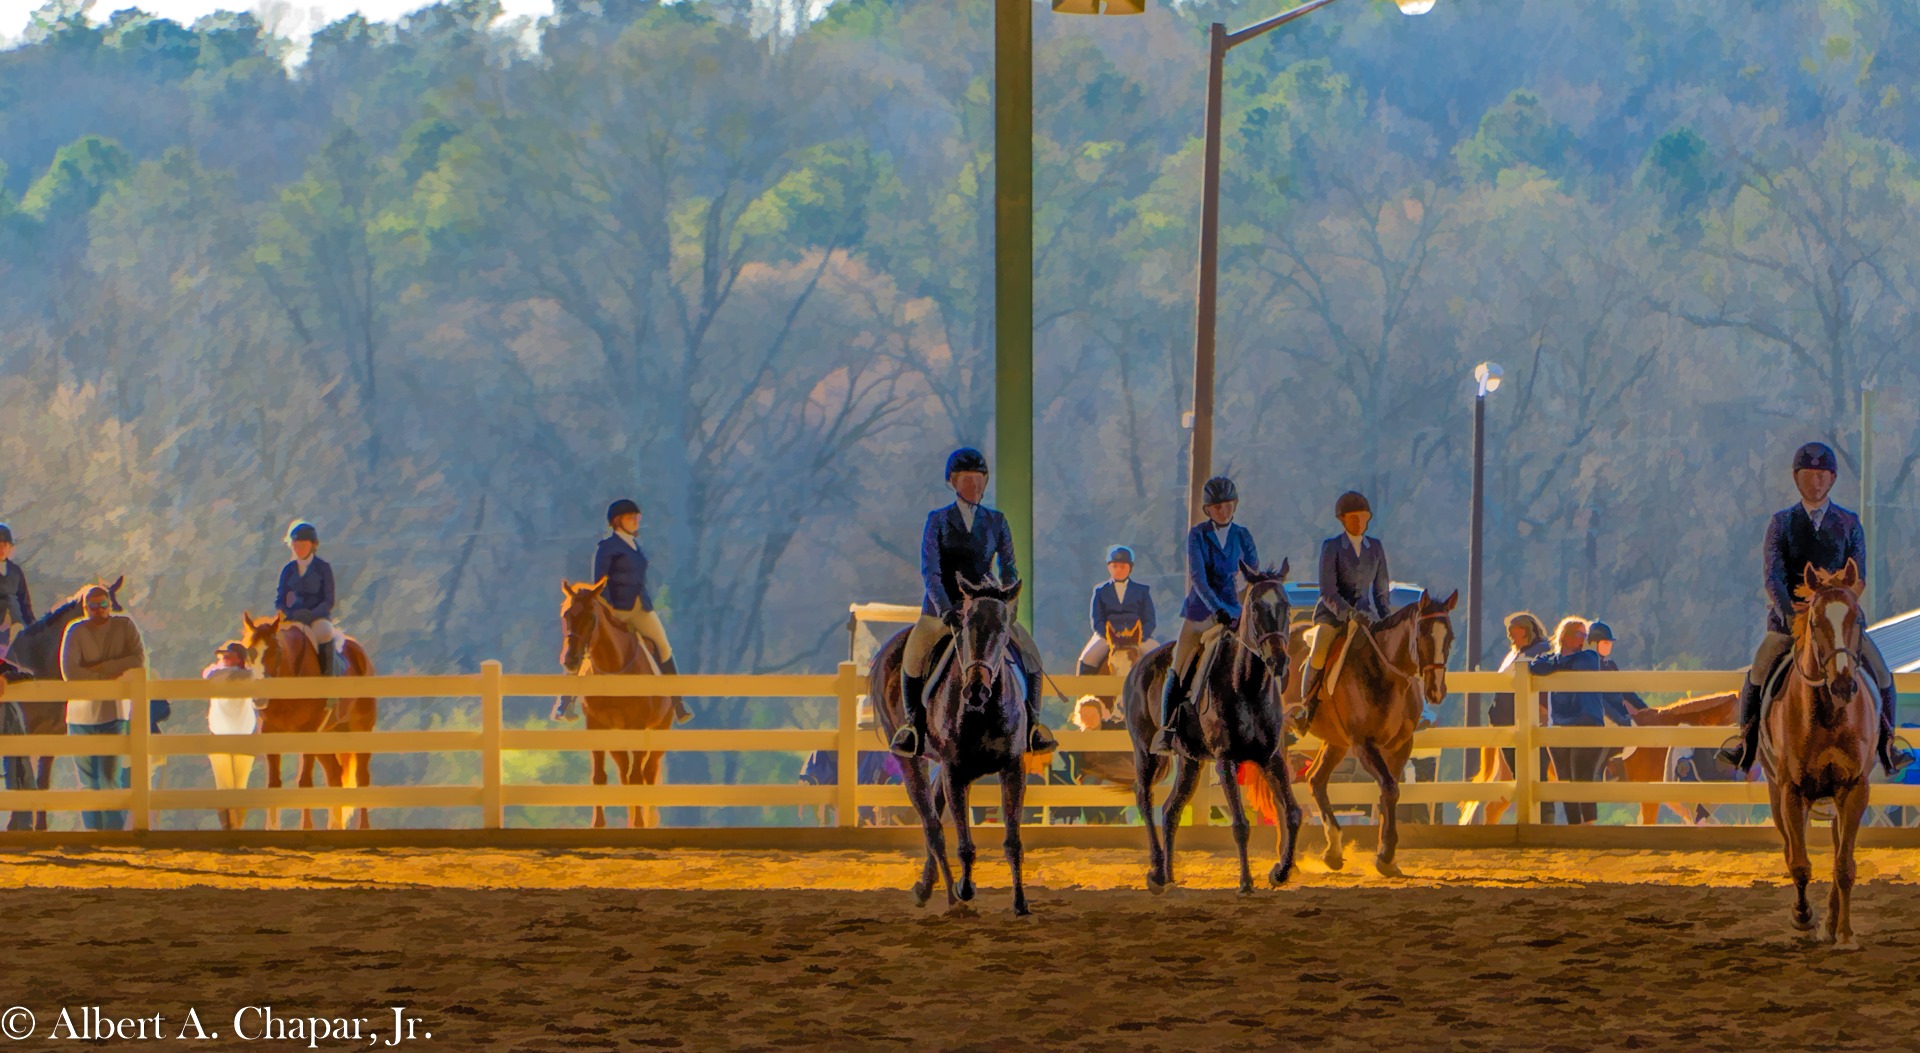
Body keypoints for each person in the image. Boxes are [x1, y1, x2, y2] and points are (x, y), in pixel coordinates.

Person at [1719, 442, 1911, 776]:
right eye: (1810, 475)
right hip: (1788, 624)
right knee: (1758, 673)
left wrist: (1840, 609)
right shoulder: (1782, 524)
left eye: (1823, 475)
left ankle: (1887, 746)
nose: (1817, 482)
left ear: (1832, 479)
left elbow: (1858, 577)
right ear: (1797, 478)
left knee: (1881, 673)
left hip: (1839, 626)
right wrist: (1795, 618)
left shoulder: (1849, 523)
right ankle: (1745, 744)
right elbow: (1773, 578)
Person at [891, 447, 1055, 759]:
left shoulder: (996, 521)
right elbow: (931, 571)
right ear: (953, 482)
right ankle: (913, 727)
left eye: (980, 480)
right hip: (943, 611)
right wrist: (946, 611)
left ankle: (1033, 725)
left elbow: (1009, 569)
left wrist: (1006, 610)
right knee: (913, 656)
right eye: (968, 480)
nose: (975, 487)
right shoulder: (938, 520)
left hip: (987, 610)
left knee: (1031, 655)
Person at [1150, 476, 1259, 758]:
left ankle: (1267, 718)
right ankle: (1168, 728)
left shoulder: (1243, 535)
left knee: (1261, 654)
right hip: (1202, 611)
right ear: (1208, 509)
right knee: (1181, 661)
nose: (1224, 511)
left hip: (1236, 612)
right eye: (1218, 507)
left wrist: (1238, 607)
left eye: (1228, 505)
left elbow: (1252, 574)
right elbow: (1198, 577)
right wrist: (1216, 608)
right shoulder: (1198, 535)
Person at [587, 499, 692, 725]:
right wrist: (610, 609)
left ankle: (678, 702)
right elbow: (600, 583)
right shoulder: (606, 547)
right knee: (588, 643)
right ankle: (565, 700)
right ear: (617, 522)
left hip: (640, 606)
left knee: (663, 646)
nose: (635, 521)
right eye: (629, 517)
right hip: (616, 608)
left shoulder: (635, 546)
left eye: (636, 517)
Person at [1294, 491, 1392, 724]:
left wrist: (1387, 619)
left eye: (1363, 517)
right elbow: (1328, 591)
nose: (1359, 522)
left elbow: (1381, 590)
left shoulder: (1376, 548)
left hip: (1366, 616)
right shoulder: (1332, 547)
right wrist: (1348, 614)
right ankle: (1306, 706)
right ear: (1343, 520)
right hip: (1333, 616)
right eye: (1353, 518)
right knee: (1319, 649)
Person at [1528, 616, 1635, 825]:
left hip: (1586, 722)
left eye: (1585, 635)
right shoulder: (1553, 659)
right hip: (1559, 724)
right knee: (1566, 782)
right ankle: (1575, 828)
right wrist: (1556, 662)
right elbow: (1535, 667)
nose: (1583, 639)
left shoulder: (1588, 657)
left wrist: (1555, 663)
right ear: (1565, 636)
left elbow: (1572, 663)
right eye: (1579, 634)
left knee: (1582, 779)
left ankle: (1589, 827)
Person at [59, 584, 147, 831]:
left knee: (110, 779)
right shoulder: (75, 630)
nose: (98, 611)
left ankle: (113, 836)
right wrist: (110, 674)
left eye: (103, 605)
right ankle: (92, 834)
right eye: (93, 606)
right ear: (85, 608)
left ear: (110, 605)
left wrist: (98, 667)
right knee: (88, 783)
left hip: (113, 713)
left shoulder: (125, 626)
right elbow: (70, 672)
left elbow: (137, 660)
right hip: (79, 716)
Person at [1075, 545, 1158, 677]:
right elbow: (1097, 619)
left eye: (1122, 566)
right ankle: (1082, 694)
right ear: (1109, 567)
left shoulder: (1142, 590)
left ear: (1130, 568)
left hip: (1136, 637)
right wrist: (1109, 636)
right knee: (1087, 658)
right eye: (1115, 566)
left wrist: (1140, 636)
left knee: (1161, 656)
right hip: (1108, 636)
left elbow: (1150, 619)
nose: (1118, 570)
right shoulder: (1100, 590)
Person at [202, 641, 257, 831]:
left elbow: (212, 675)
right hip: (223, 732)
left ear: (239, 658)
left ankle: (235, 826)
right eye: (222, 655)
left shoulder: (222, 674)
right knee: (226, 784)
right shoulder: (230, 674)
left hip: (240, 734)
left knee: (236, 784)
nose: (223, 658)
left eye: (228, 655)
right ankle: (229, 826)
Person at [276, 521, 338, 676]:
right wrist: (289, 614)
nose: (298, 549)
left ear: (312, 545)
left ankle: (327, 680)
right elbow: (280, 599)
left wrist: (311, 614)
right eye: (295, 545)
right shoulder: (288, 570)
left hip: (317, 618)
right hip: (293, 618)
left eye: (302, 545)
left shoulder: (323, 568)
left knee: (324, 633)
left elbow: (328, 600)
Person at [1585, 622, 1648, 717]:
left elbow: (1625, 690)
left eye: (1610, 643)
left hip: (1618, 714)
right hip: (1602, 716)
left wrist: (1645, 709)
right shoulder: (1587, 666)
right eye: (1605, 643)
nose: (1609, 646)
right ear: (1593, 644)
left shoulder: (1610, 665)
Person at [0, 524, 33, 659]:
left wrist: (33, 626)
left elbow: (24, 601)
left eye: (5, 545)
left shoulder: (16, 571)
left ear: (10, 548)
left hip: (17, 626)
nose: (1, 548)